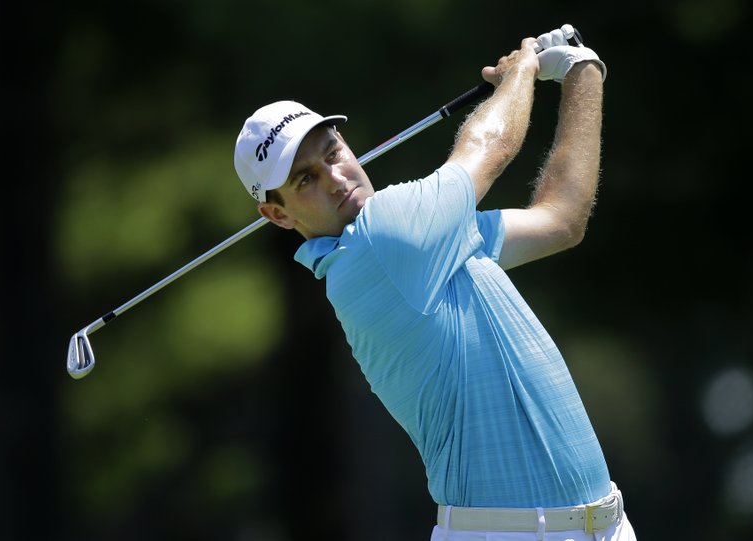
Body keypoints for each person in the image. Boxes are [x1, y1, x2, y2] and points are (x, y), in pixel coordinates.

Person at [233, 25, 637, 541]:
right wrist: (524, 70)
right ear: (279, 215)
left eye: (332, 152)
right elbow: (490, 145)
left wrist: (584, 71)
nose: (336, 178)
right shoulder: (379, 243)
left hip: (604, 525)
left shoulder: (432, 243)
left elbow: (561, 219)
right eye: (305, 179)